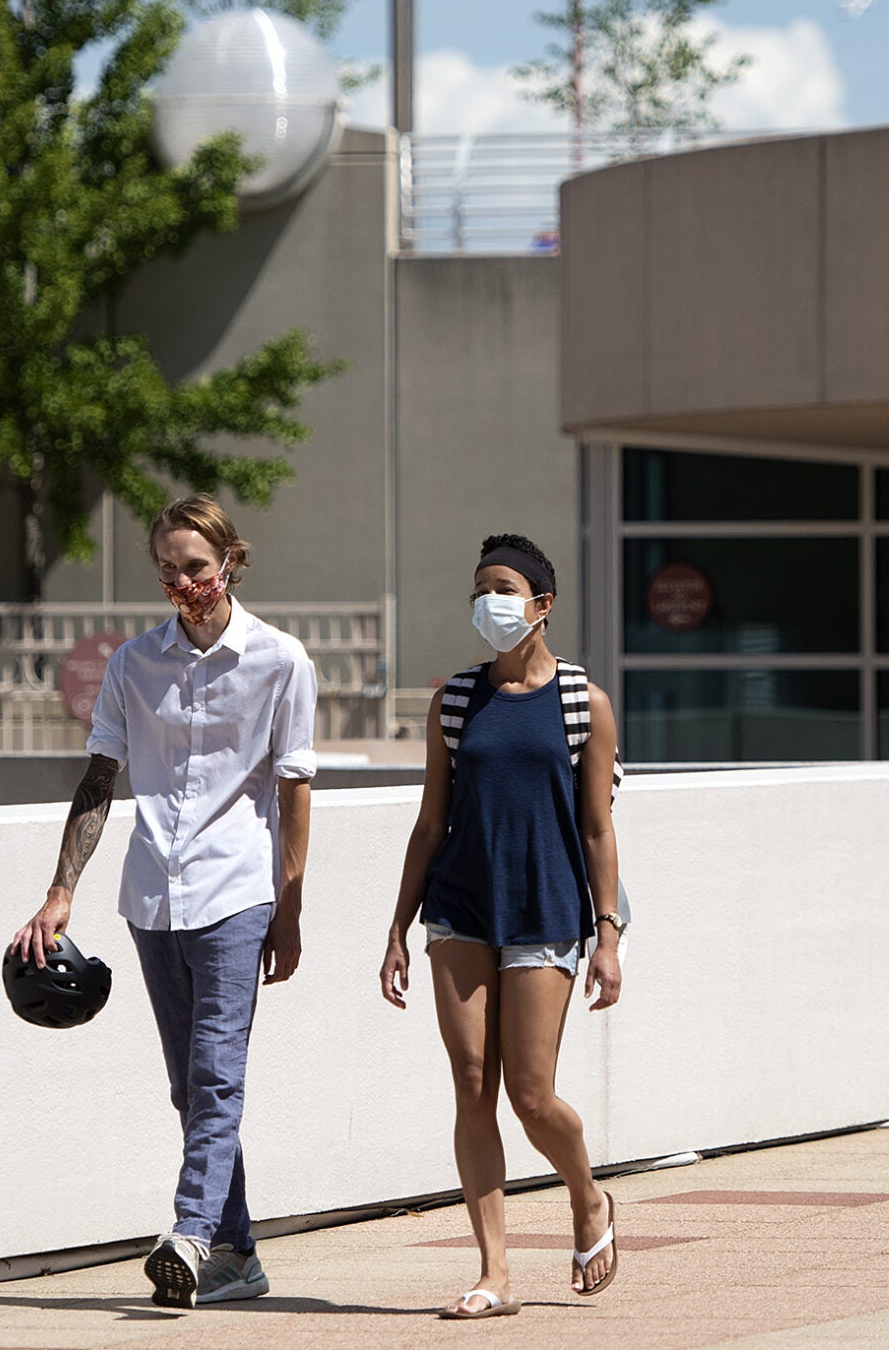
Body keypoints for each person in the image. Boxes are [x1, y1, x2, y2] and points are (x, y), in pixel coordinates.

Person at [11, 495, 316, 1310]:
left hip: (239, 891)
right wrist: (60, 891)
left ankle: (189, 1231)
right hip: (153, 895)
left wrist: (288, 909)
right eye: (168, 570)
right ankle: (238, 1253)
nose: (182, 583)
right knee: (190, 1085)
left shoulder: (282, 662)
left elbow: (294, 791)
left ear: (231, 564)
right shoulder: (132, 665)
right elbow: (100, 780)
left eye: (196, 567)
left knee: (217, 1074)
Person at [379, 533, 625, 1321]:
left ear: (542, 605)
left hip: (547, 910)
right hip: (460, 909)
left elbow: (596, 828)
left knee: (530, 1092)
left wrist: (609, 933)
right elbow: (429, 823)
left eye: (505, 588)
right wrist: (397, 929)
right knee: (473, 1084)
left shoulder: (584, 700)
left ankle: (587, 1196)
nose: (490, 601)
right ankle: (495, 1273)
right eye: (480, 587)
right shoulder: (456, 698)